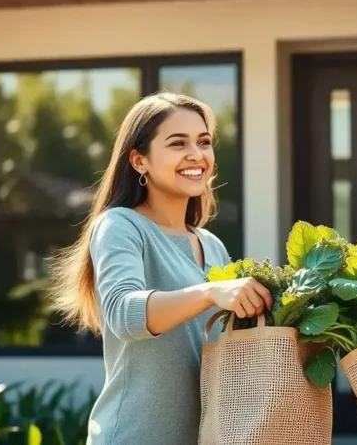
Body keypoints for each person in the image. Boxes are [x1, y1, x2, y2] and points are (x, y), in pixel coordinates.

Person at [47, 92, 273, 444]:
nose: (196, 154)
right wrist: (211, 292)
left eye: (204, 142)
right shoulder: (121, 226)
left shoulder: (212, 245)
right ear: (139, 160)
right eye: (177, 143)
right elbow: (124, 314)